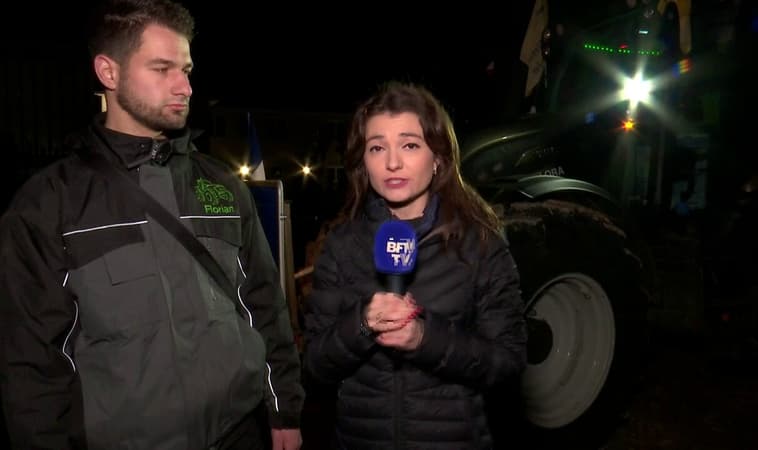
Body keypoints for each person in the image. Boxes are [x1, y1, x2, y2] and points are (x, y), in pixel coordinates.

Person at [0, 1, 304, 448]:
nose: (184, 86)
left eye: (186, 69)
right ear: (108, 72)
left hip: (240, 434)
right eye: (162, 69)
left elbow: (265, 306)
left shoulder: (220, 184)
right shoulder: (48, 203)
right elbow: (32, 366)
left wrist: (284, 412)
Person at [302, 81, 528, 449]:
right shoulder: (342, 246)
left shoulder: (480, 244)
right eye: (377, 148)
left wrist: (426, 338)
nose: (393, 162)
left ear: (437, 156)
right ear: (364, 162)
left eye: (409, 145)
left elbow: (508, 364)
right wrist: (361, 323)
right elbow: (313, 368)